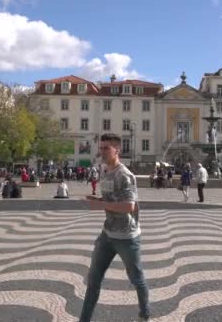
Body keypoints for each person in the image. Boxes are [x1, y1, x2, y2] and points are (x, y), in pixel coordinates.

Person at [80, 133, 150, 322]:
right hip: (107, 234)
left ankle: (145, 315)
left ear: (117, 150)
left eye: (106, 148)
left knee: (137, 278)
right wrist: (99, 200)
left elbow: (129, 206)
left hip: (127, 236)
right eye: (101, 148)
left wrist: (102, 205)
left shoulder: (124, 175)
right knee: (93, 281)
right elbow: (113, 200)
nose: (102, 151)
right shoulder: (105, 170)